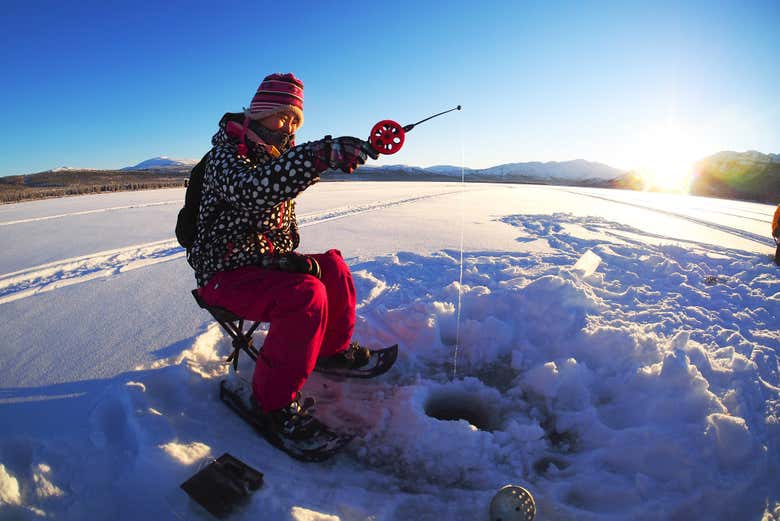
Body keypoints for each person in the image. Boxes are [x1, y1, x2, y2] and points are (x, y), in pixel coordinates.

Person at [188, 73, 379, 438]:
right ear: (259, 113)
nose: (288, 125)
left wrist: (327, 156)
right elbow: (252, 191)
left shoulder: (274, 156)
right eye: (282, 115)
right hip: (223, 275)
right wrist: (318, 155)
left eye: (295, 119)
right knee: (305, 296)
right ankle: (272, 403)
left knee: (332, 267)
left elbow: (281, 177)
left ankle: (332, 350)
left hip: (262, 265)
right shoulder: (226, 157)